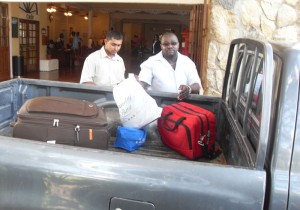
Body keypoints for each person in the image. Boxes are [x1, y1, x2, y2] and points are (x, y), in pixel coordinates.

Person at [138, 32, 203, 100]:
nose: (170, 46)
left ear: (178, 44)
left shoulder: (187, 62)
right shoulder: (151, 62)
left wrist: (189, 89)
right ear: (161, 46)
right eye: (166, 44)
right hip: (159, 107)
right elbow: (143, 82)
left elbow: (197, 85)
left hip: (183, 106)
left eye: (173, 43)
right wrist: (135, 84)